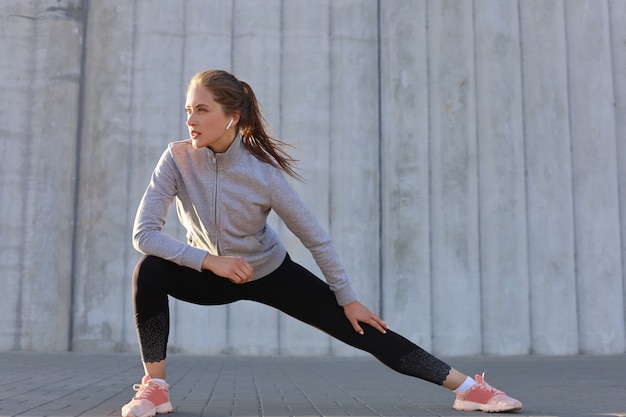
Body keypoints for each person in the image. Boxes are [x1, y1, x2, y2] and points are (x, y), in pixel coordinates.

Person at [121, 69, 522, 417]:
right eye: (188, 109)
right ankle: (155, 388)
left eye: (202, 109)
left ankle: (469, 390)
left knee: (364, 330)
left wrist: (346, 297)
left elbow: (316, 239)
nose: (191, 119)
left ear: (232, 117)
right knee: (150, 271)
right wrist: (210, 261)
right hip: (208, 273)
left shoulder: (264, 175)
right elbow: (145, 234)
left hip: (268, 272)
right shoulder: (176, 158)